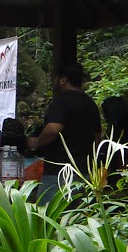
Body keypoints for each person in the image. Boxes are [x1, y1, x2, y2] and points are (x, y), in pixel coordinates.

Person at [24, 62, 102, 201]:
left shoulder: (61, 102)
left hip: (58, 175)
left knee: (50, 218)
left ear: (63, 80)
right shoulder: (90, 104)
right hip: (84, 173)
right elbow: (97, 137)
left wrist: (37, 142)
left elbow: (53, 129)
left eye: (55, 78)